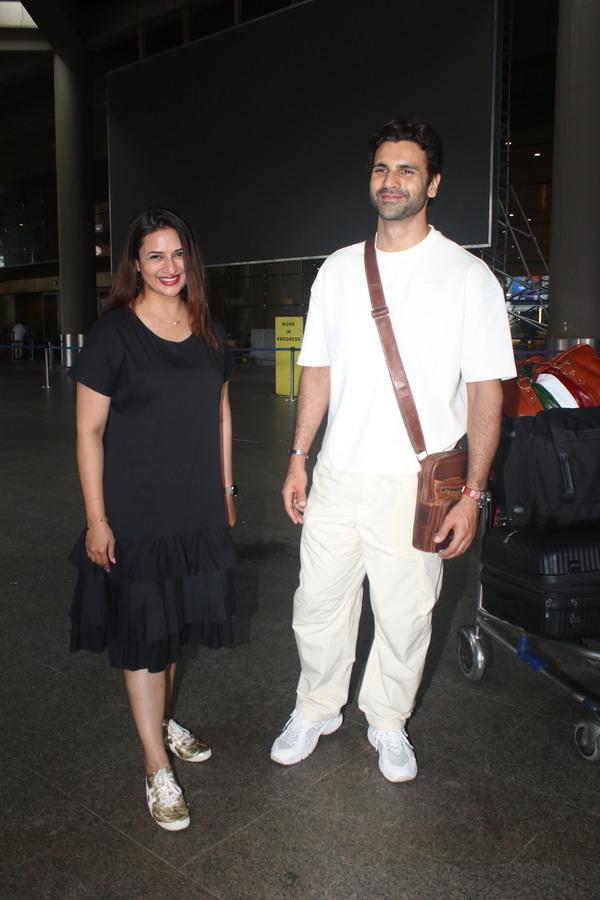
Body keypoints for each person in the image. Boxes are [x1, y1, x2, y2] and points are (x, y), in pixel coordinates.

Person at [271, 119, 516, 782]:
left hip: (417, 484)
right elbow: (316, 370)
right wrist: (298, 456)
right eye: (382, 168)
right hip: (337, 475)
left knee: (406, 616)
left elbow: (486, 393)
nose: (391, 181)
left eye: (407, 170)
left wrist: (473, 494)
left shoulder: (467, 277)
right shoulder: (338, 270)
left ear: (432, 184)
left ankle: (386, 719)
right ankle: (316, 708)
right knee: (316, 606)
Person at [69, 208, 236, 831]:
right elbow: (88, 432)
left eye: (178, 254)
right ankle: (154, 765)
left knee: (171, 630)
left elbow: (221, 415)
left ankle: (161, 719)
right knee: (143, 636)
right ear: (135, 265)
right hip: (135, 510)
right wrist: (97, 519)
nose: (170, 267)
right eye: (155, 256)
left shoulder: (206, 328)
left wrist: (226, 491)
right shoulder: (113, 334)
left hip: (195, 507)